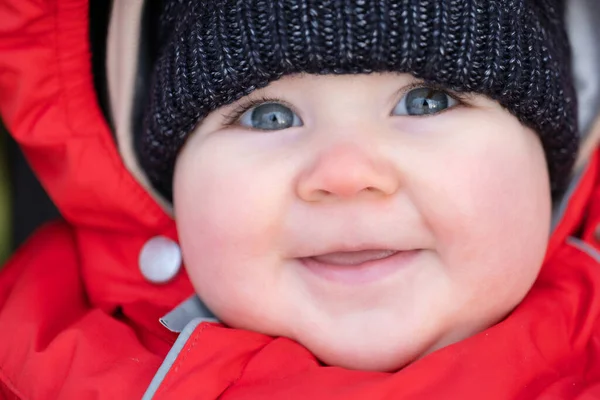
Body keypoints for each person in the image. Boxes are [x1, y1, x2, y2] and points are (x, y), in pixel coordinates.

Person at [0, 0, 599, 398]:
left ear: (550, 158)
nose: (344, 174)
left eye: (426, 101)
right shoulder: (36, 366)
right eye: (267, 116)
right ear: (168, 178)